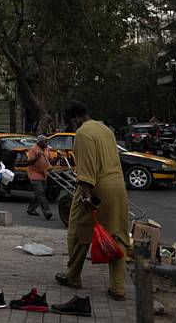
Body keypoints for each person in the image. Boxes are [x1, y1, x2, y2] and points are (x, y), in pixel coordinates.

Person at [55, 100, 129, 302]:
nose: (70, 126)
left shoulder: (83, 133)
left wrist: (87, 197)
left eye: (69, 122)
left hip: (96, 187)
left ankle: (73, 276)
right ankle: (118, 288)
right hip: (118, 187)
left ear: (75, 117)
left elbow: (87, 171)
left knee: (78, 231)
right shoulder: (105, 129)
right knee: (118, 235)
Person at [26, 135, 56, 220]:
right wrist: (37, 157)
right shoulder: (34, 149)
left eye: (47, 142)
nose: (46, 143)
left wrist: (57, 159)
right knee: (41, 193)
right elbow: (29, 162)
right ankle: (47, 212)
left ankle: (31, 209)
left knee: (39, 194)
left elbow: (51, 161)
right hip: (34, 174)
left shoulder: (46, 149)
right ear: (39, 142)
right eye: (44, 142)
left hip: (43, 174)